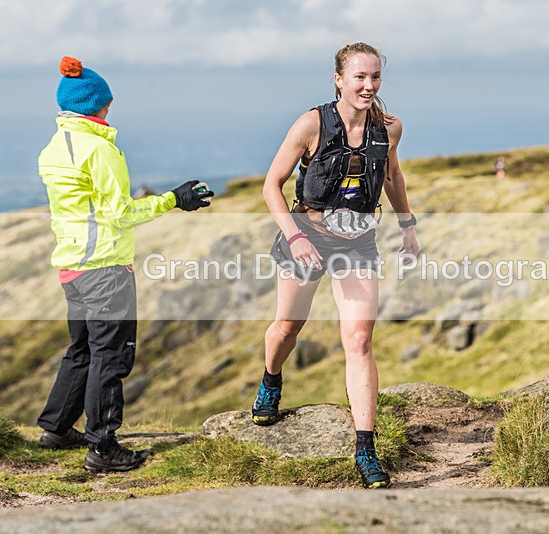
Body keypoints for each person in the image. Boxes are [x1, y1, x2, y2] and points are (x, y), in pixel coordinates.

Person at [253, 42, 419, 489]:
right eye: (359, 77)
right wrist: (295, 236)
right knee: (288, 327)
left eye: (375, 78)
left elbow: (392, 177)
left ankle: (365, 448)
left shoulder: (389, 129)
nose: (368, 86)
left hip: (359, 243)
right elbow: (272, 185)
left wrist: (408, 226)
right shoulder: (311, 124)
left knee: (359, 340)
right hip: (305, 239)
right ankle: (271, 379)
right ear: (339, 79)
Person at [36, 57, 213, 472]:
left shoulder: (53, 148)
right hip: (105, 270)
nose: (110, 109)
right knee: (111, 357)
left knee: (82, 349)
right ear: (95, 105)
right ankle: (103, 447)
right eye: (107, 103)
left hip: (72, 268)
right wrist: (175, 199)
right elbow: (121, 214)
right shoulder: (101, 150)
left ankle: (57, 428)